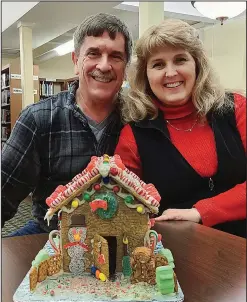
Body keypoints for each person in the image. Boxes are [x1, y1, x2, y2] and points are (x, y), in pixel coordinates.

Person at [2, 13, 133, 235]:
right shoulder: (39, 119)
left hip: (120, 245)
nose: (104, 65)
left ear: (126, 67)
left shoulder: (138, 119)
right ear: (75, 61)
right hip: (52, 237)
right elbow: (3, 193)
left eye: (116, 56)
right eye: (93, 54)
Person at [115, 19, 246, 237]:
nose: (170, 72)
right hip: (178, 258)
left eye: (180, 59)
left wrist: (201, 212)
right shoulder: (133, 136)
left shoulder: (237, 109)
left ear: (197, 65)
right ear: (145, 75)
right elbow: (125, 208)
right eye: (158, 64)